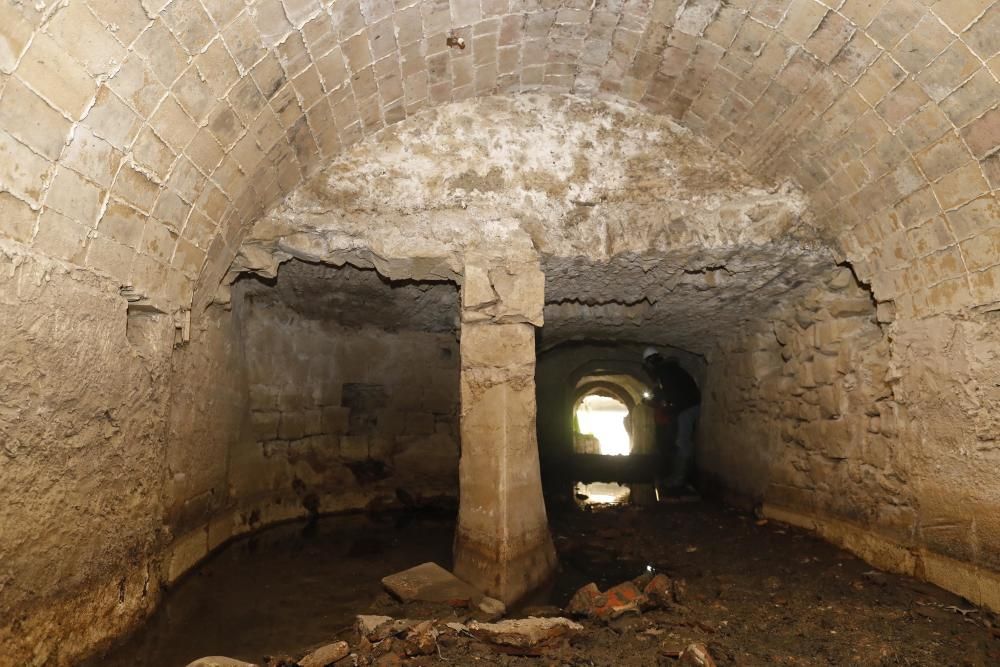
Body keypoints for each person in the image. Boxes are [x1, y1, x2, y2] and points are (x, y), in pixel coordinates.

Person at [642, 348, 701, 494]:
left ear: (650, 363)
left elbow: (672, 396)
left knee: (682, 442)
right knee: (680, 441)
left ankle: (678, 481)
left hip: (687, 408)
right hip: (688, 407)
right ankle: (678, 478)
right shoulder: (669, 370)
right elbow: (670, 395)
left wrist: (667, 408)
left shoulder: (665, 372)